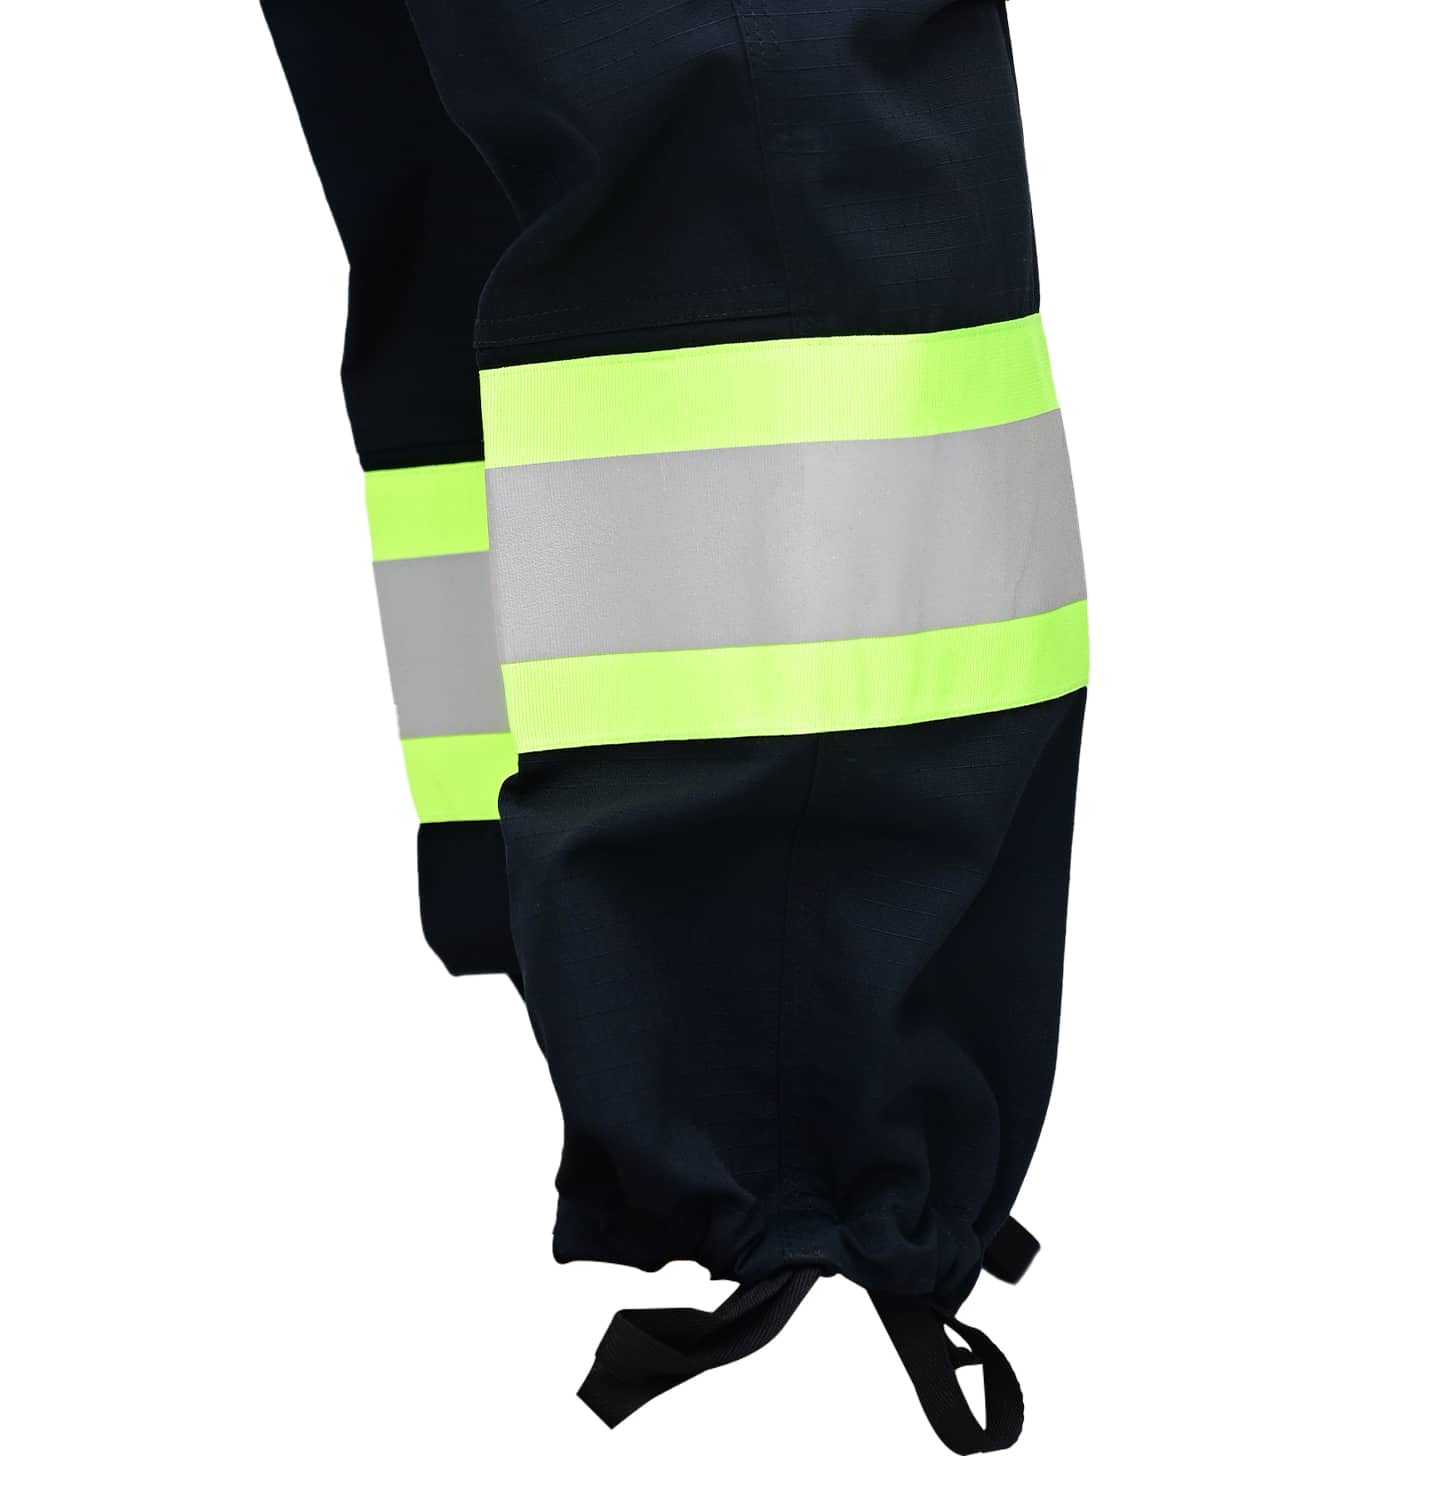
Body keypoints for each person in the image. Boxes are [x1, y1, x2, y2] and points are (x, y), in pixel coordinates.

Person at [261, 0, 1087, 1454]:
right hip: (777, 1126)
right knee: (720, 126)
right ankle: (777, 1103)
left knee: (494, 160)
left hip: (661, 1097)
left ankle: (659, 1015)